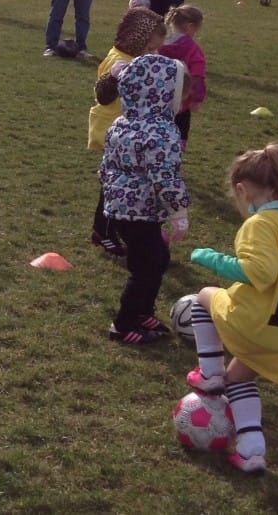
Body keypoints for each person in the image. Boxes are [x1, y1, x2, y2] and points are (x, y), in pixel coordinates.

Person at [184, 143, 278, 473]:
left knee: (204, 295)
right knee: (239, 380)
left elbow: (258, 272)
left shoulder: (262, 224)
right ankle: (251, 450)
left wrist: (208, 257)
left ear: (243, 190)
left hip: (254, 323)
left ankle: (208, 373)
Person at [100, 53, 191, 344]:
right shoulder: (162, 132)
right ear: (163, 95)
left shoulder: (121, 123)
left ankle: (142, 312)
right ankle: (123, 324)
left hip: (122, 208)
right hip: (139, 210)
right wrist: (179, 212)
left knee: (157, 259)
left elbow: (106, 164)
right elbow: (165, 175)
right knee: (145, 268)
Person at [87, 7, 167, 257]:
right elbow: (103, 95)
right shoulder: (118, 61)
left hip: (131, 134)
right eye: (151, 47)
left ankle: (115, 228)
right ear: (138, 38)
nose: (154, 52)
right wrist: (114, 77)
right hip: (115, 132)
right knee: (113, 185)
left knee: (118, 184)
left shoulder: (136, 58)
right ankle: (104, 231)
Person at [158, 5, 206, 148]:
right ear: (190, 26)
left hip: (157, 98)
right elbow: (197, 74)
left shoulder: (158, 43)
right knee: (179, 135)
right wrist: (196, 98)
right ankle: (173, 159)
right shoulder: (192, 48)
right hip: (181, 102)